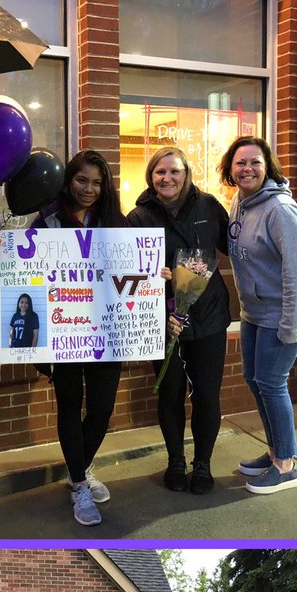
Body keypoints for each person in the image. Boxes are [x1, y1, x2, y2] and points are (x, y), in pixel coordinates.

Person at [31, 151, 129, 527]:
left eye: (97, 182)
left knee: (102, 408)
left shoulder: (116, 223)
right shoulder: (47, 222)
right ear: (69, 180)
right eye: (81, 180)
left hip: (108, 329)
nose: (89, 189)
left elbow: (130, 273)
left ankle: (79, 470)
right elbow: (27, 275)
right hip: (64, 331)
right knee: (69, 406)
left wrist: (155, 277)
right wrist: (5, 258)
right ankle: (79, 485)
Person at [218, 136, 297, 495]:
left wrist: (290, 324)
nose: (247, 169)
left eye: (254, 162)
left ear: (267, 166)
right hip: (254, 312)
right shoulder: (239, 202)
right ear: (230, 168)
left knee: (273, 383)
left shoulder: (281, 210)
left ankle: (286, 467)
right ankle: (277, 449)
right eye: (240, 163)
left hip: (284, 312)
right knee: (254, 379)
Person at [127, 147, 231, 493]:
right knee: (170, 393)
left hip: (209, 316)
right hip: (162, 320)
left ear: (186, 175)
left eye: (174, 171)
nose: (167, 178)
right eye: (160, 172)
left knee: (206, 395)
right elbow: (128, 276)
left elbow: (235, 246)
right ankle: (175, 461)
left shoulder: (208, 206)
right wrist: (151, 280)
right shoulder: (139, 217)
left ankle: (202, 465)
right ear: (151, 177)